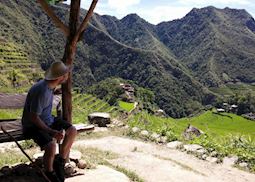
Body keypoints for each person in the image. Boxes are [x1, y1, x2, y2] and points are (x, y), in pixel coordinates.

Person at [22, 61, 77, 182]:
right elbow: (33, 118)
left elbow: (47, 96)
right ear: (60, 77)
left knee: (72, 130)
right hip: (32, 125)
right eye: (66, 74)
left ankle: (60, 162)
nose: (68, 75)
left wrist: (55, 92)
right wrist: (51, 131)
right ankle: (49, 173)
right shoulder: (41, 91)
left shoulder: (50, 87)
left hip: (47, 119)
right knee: (51, 145)